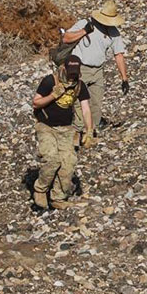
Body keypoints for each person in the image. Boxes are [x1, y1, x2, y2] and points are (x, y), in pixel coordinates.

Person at [31, 55, 94, 210]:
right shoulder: (50, 81)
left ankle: (58, 197)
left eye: (75, 73)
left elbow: (86, 109)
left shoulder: (79, 86)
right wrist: (53, 95)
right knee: (52, 159)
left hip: (66, 128)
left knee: (69, 162)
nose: (72, 76)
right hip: (46, 126)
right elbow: (36, 103)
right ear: (64, 68)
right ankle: (40, 189)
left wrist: (89, 130)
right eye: (70, 72)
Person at [62, 0, 129, 144]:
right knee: (80, 102)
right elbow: (66, 38)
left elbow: (119, 54)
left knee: (96, 102)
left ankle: (90, 131)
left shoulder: (114, 32)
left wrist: (124, 78)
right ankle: (77, 132)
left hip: (98, 70)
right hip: (80, 68)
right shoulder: (85, 23)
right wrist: (84, 31)